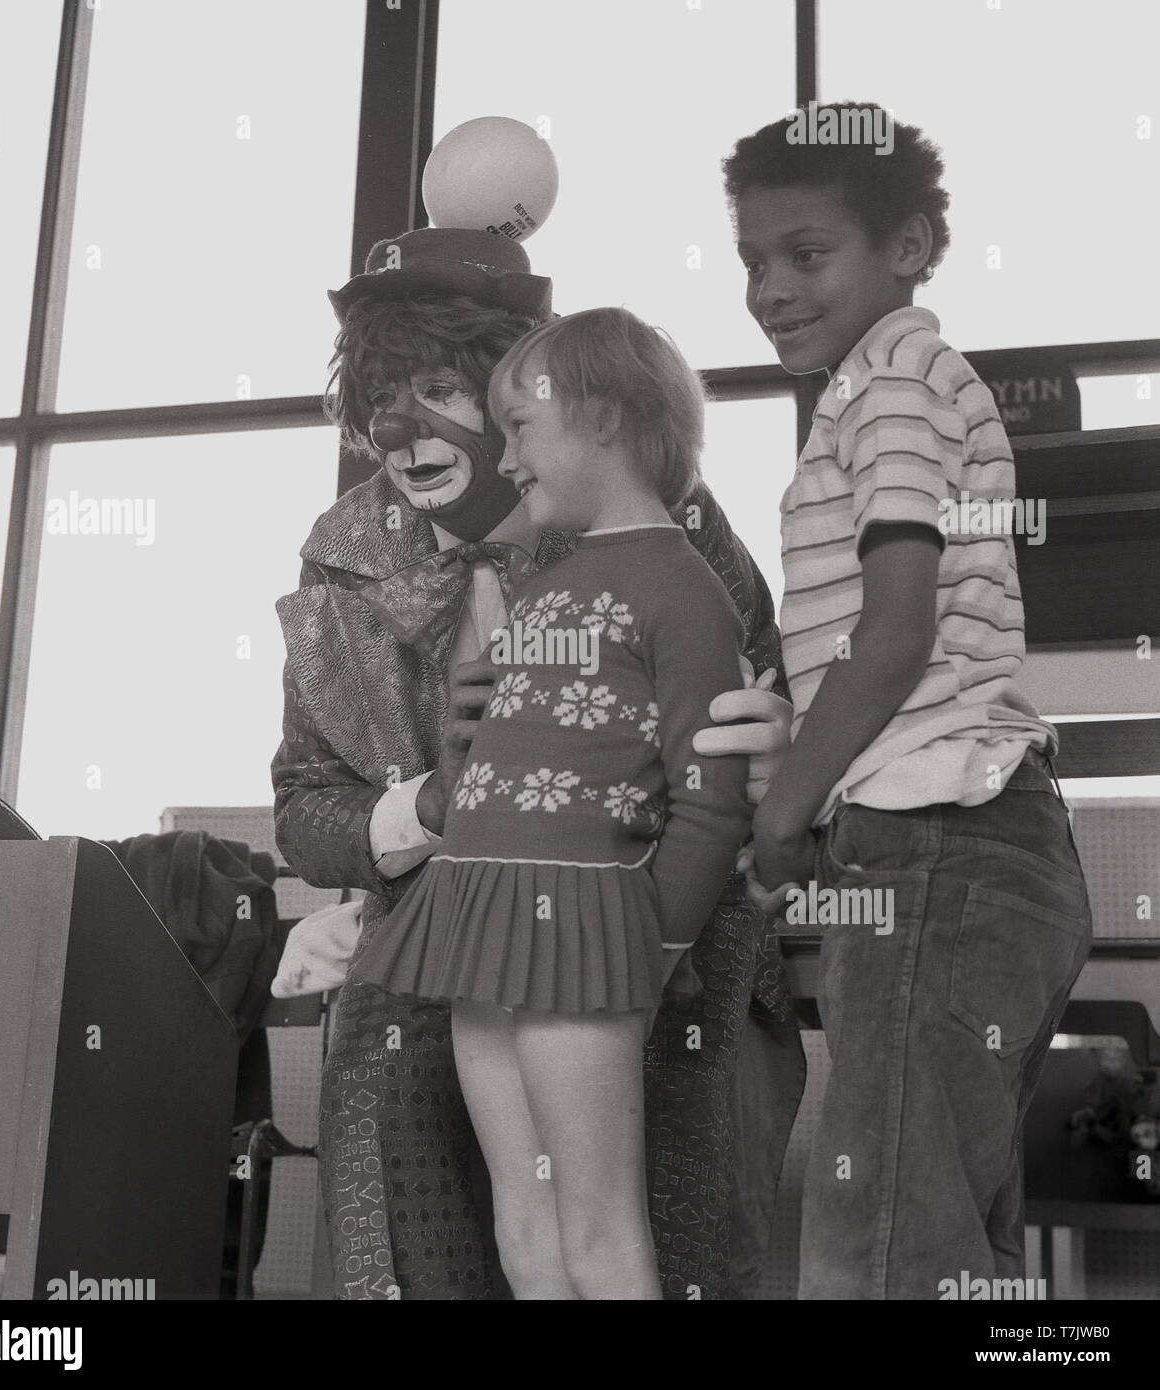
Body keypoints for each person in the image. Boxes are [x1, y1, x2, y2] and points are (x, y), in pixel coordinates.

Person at [272, 227, 800, 1299]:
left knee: (655, 1192)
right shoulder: (342, 559)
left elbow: (752, 725)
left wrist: (766, 753)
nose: (396, 426)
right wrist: (430, 799)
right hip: (441, 924)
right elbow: (303, 812)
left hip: (636, 914)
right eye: (377, 393)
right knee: (405, 1149)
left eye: (434, 386)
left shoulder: (658, 526)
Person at [724, 103, 1094, 1298]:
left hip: (935, 837)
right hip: (990, 841)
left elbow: (892, 635)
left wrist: (783, 809)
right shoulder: (906, 385)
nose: (768, 288)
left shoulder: (888, 382)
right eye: (750, 261)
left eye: (805, 253)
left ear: (911, 246)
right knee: (954, 1252)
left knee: (877, 1238)